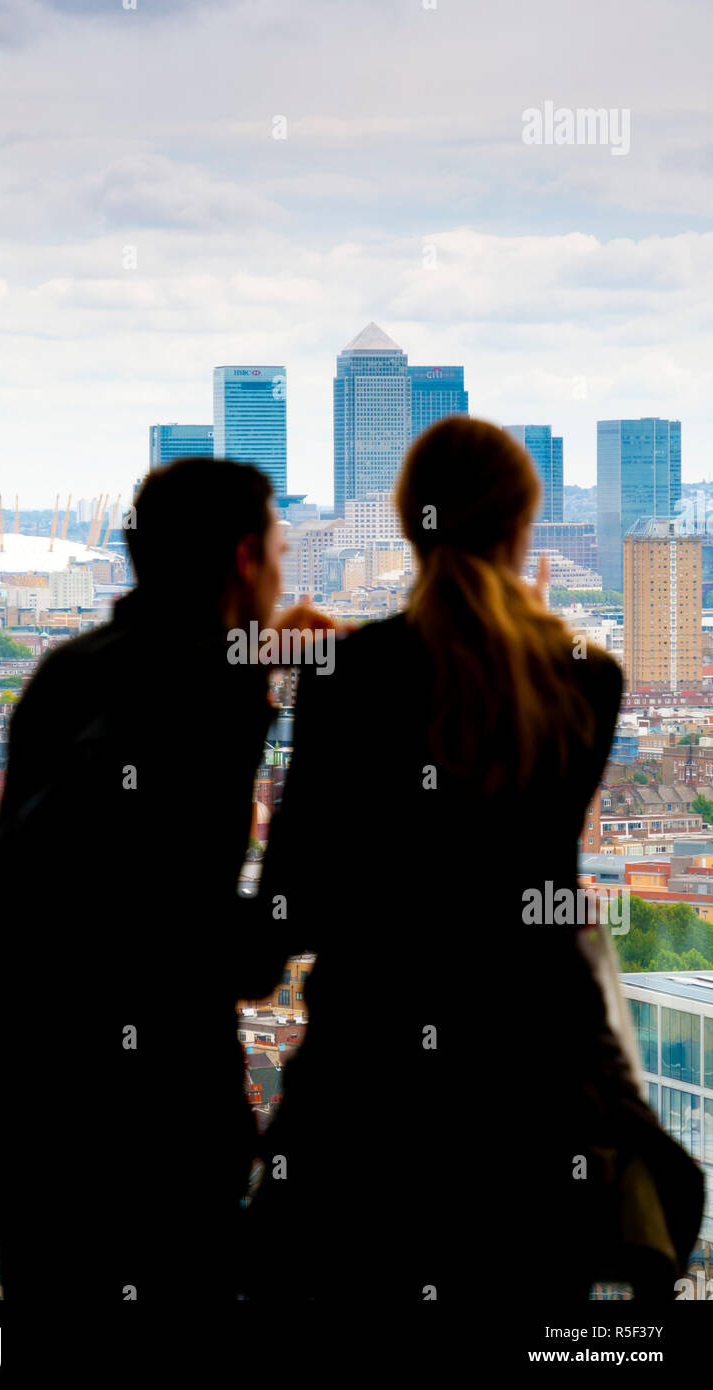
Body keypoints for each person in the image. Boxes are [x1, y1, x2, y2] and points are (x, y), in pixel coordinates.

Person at [245, 417, 704, 1306]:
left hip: (367, 1101)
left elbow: (284, 919)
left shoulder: (348, 678)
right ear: (524, 528)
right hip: (531, 1102)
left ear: (411, 528)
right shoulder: (586, 683)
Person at [0, 456, 329, 1310]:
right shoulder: (215, 698)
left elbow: (26, 900)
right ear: (241, 559)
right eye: (277, 548)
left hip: (26, 1104)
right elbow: (220, 943)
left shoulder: (66, 673)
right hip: (153, 1124)